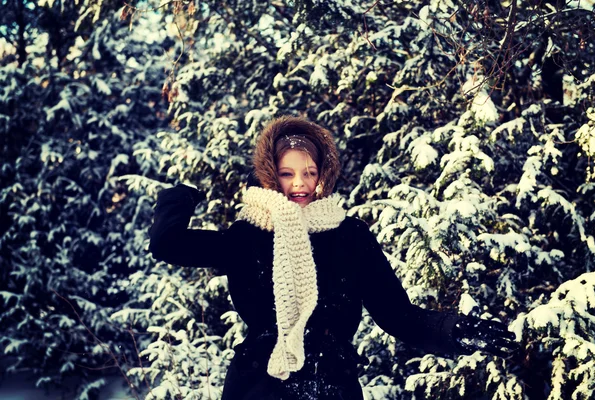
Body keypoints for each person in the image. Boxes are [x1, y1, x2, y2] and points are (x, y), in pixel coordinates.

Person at [149, 116, 518, 400]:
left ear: (324, 174)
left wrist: (458, 332)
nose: (299, 184)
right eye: (286, 173)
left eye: (309, 172)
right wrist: (179, 198)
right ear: (269, 176)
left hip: (331, 383)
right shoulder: (247, 235)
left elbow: (399, 316)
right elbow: (169, 245)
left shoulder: (350, 237)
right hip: (257, 384)